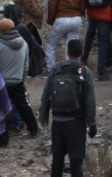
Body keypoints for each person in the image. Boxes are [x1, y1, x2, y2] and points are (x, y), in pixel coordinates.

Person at [39, 40, 97, 177]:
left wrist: (42, 117)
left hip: (58, 121)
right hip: (76, 122)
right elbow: (90, 100)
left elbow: (46, 94)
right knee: (76, 162)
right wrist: (92, 124)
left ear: (67, 52)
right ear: (82, 53)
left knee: (57, 160)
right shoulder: (84, 71)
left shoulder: (56, 68)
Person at [0, 19, 39, 146]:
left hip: (1, 83)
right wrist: (21, 78)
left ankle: (3, 139)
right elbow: (26, 66)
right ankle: (34, 129)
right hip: (17, 82)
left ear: (2, 31)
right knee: (24, 106)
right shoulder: (24, 44)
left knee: (0, 110)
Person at [46, 0, 85, 71]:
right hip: (76, 20)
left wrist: (50, 20)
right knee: (70, 46)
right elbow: (82, 8)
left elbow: (52, 7)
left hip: (61, 20)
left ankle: (51, 70)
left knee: (50, 44)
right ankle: (71, 70)